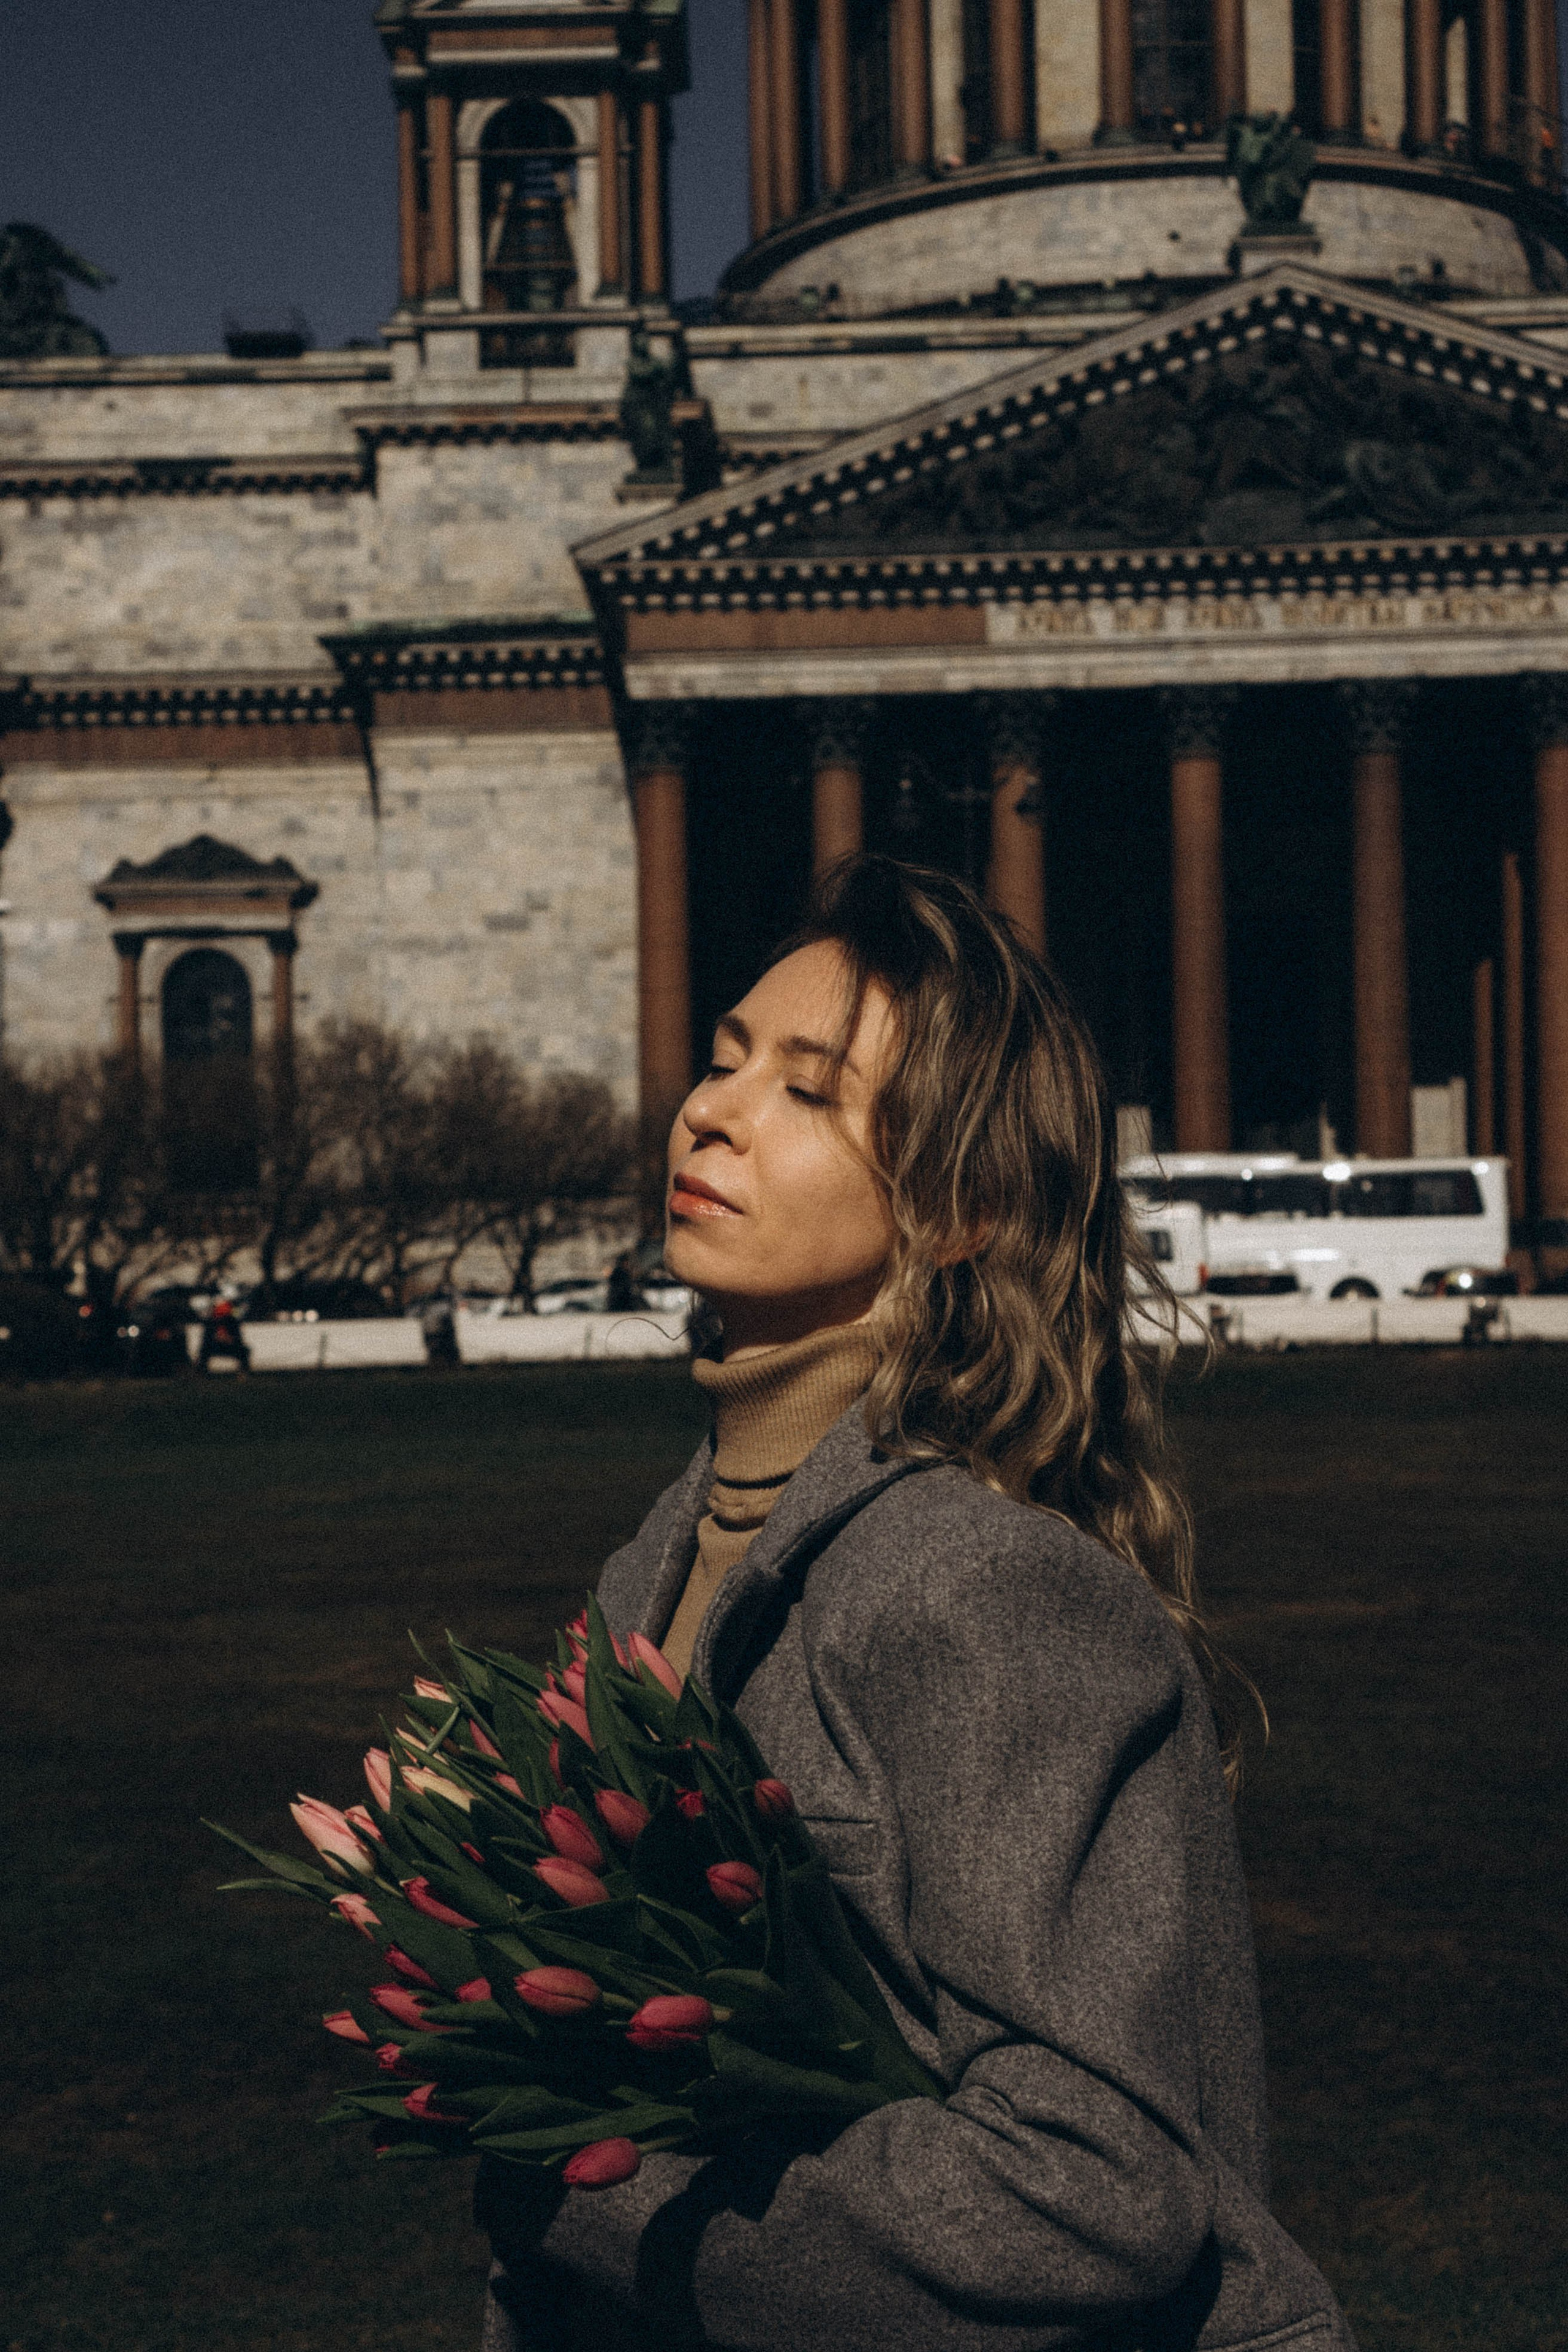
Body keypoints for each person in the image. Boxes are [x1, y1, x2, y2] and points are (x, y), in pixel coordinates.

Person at [478, 856, 1355, 2352]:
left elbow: (1084, 2186)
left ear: (957, 1210)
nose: (711, 1110)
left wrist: (590, 2188)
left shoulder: (979, 1590)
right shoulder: (656, 1558)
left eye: (809, 1094)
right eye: (724, 1059)